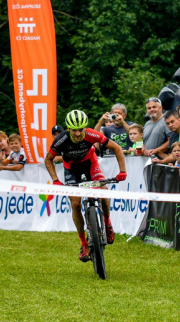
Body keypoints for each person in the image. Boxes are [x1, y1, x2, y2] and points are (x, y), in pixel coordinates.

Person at [45, 110, 127, 262]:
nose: (77, 133)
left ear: (85, 128)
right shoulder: (61, 140)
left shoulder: (91, 134)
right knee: (75, 203)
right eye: (74, 130)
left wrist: (122, 171)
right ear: (68, 129)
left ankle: (108, 224)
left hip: (90, 163)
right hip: (71, 168)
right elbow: (48, 159)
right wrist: (55, 180)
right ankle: (83, 243)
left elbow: (116, 148)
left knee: (103, 193)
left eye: (81, 129)